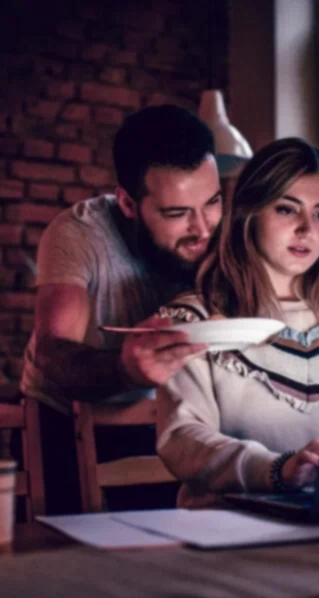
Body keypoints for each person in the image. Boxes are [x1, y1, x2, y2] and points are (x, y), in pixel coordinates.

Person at [155, 137, 319, 509]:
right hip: (226, 525)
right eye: (288, 210)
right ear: (249, 213)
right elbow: (183, 438)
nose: (308, 230)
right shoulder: (194, 320)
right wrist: (278, 469)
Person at [21, 104, 224, 512]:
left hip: (167, 417)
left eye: (212, 203)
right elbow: (51, 355)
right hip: (63, 416)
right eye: (177, 213)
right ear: (129, 204)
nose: (202, 228)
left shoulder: (219, 231)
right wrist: (126, 368)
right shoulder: (79, 234)